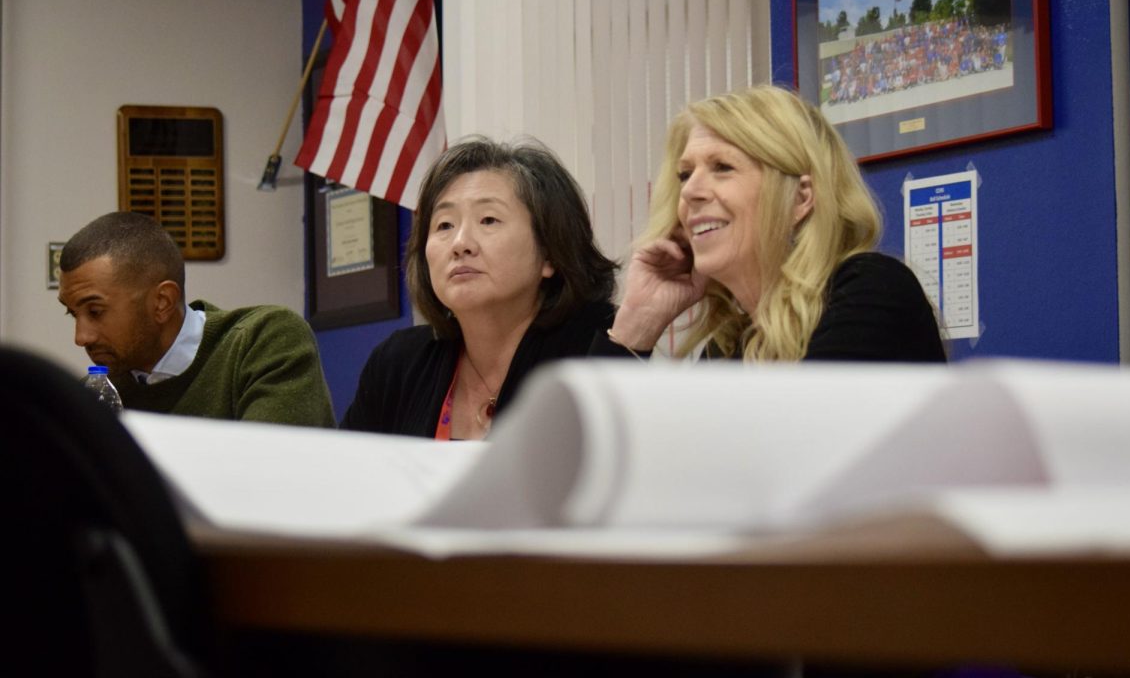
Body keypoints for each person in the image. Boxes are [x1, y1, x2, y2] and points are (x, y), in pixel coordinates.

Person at [601, 84, 944, 363]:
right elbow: (585, 441)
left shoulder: (871, 289)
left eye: (722, 167)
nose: (689, 191)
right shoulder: (730, 345)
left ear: (800, 197)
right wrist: (638, 321)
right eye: (685, 174)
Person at [342, 137, 618, 439]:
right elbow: (348, 478)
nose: (460, 244)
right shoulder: (397, 365)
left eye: (488, 220)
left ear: (550, 252)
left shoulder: (598, 345)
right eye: (444, 225)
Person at [57, 211, 334, 426]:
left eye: (95, 312)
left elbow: (267, 476)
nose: (82, 337)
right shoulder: (95, 396)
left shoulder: (261, 342)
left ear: (162, 302)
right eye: (73, 314)